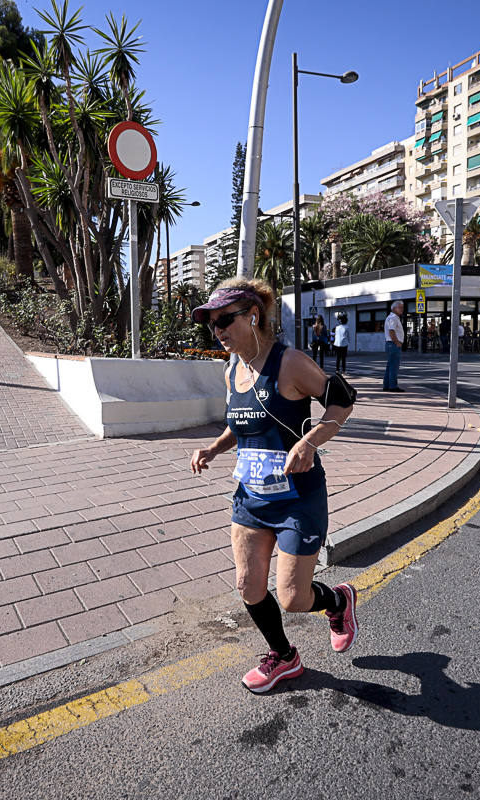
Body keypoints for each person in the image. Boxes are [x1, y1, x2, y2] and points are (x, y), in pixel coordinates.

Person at [189, 278, 357, 693]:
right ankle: (284, 657)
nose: (218, 330)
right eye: (212, 325)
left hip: (298, 499)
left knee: (293, 598)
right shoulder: (233, 370)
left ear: (253, 315)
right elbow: (241, 426)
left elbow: (343, 399)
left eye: (225, 320)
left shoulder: (290, 363)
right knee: (248, 586)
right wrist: (213, 448)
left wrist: (310, 441)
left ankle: (337, 601)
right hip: (251, 496)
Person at [383, 300, 405, 392]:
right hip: (393, 344)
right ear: (394, 308)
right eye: (400, 307)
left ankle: (387, 385)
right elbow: (391, 331)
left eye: (402, 307)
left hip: (391, 344)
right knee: (394, 366)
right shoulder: (393, 318)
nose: (402, 309)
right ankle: (393, 386)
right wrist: (397, 342)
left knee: (390, 365)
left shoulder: (392, 317)